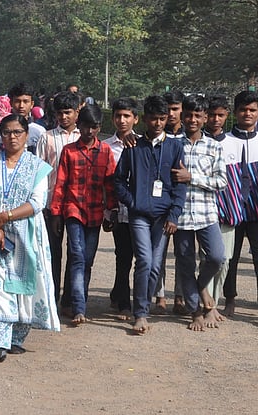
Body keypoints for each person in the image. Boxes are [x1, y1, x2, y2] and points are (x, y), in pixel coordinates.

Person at [0, 114, 60, 362]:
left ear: (26, 135)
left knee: (26, 285)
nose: (12, 137)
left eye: (17, 132)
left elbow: (37, 202)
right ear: (0, 136)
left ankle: (16, 338)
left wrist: (6, 217)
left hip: (27, 236)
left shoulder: (37, 166)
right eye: (7, 132)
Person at [113, 95, 186, 335]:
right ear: (144, 119)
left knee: (156, 265)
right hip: (139, 216)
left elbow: (179, 185)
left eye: (162, 119)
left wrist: (174, 215)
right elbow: (119, 180)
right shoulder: (134, 146)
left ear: (168, 119)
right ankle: (141, 313)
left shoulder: (175, 147)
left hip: (163, 217)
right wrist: (133, 201)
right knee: (143, 260)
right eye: (153, 119)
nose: (157, 123)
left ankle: (142, 303)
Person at [214, 91, 258, 326]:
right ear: (235, 113)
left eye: (252, 110)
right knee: (230, 257)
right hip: (232, 211)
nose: (248, 114)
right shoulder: (223, 143)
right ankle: (229, 299)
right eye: (243, 110)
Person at [49, 104, 117, 325]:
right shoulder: (69, 151)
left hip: (96, 212)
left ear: (99, 127)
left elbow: (110, 184)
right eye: (86, 127)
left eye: (94, 127)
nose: (90, 132)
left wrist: (112, 211)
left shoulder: (105, 151)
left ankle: (78, 301)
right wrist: (57, 212)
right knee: (77, 256)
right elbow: (61, 183)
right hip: (73, 210)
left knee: (87, 260)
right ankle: (79, 307)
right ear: (80, 126)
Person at [173, 96, 228, 331]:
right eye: (188, 115)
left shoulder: (214, 146)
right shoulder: (174, 144)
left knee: (216, 257)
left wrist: (192, 178)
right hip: (181, 215)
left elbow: (222, 181)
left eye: (198, 115)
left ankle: (199, 286)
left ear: (205, 117)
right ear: (182, 116)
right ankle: (195, 311)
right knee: (185, 263)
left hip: (207, 214)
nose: (192, 120)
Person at [36, 90, 82, 310]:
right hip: (51, 203)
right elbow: (39, 172)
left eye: (68, 113)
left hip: (76, 203)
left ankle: (70, 299)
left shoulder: (82, 138)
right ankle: (52, 297)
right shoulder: (47, 137)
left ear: (77, 112)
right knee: (53, 253)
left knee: (75, 252)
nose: (64, 117)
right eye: (60, 113)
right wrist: (43, 204)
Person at [103, 98, 139, 319]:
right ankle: (124, 303)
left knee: (141, 257)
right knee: (123, 256)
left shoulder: (142, 144)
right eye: (118, 116)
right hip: (117, 211)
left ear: (136, 119)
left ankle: (120, 294)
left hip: (139, 211)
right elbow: (105, 183)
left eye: (127, 116)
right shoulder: (106, 147)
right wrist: (109, 212)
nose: (122, 120)